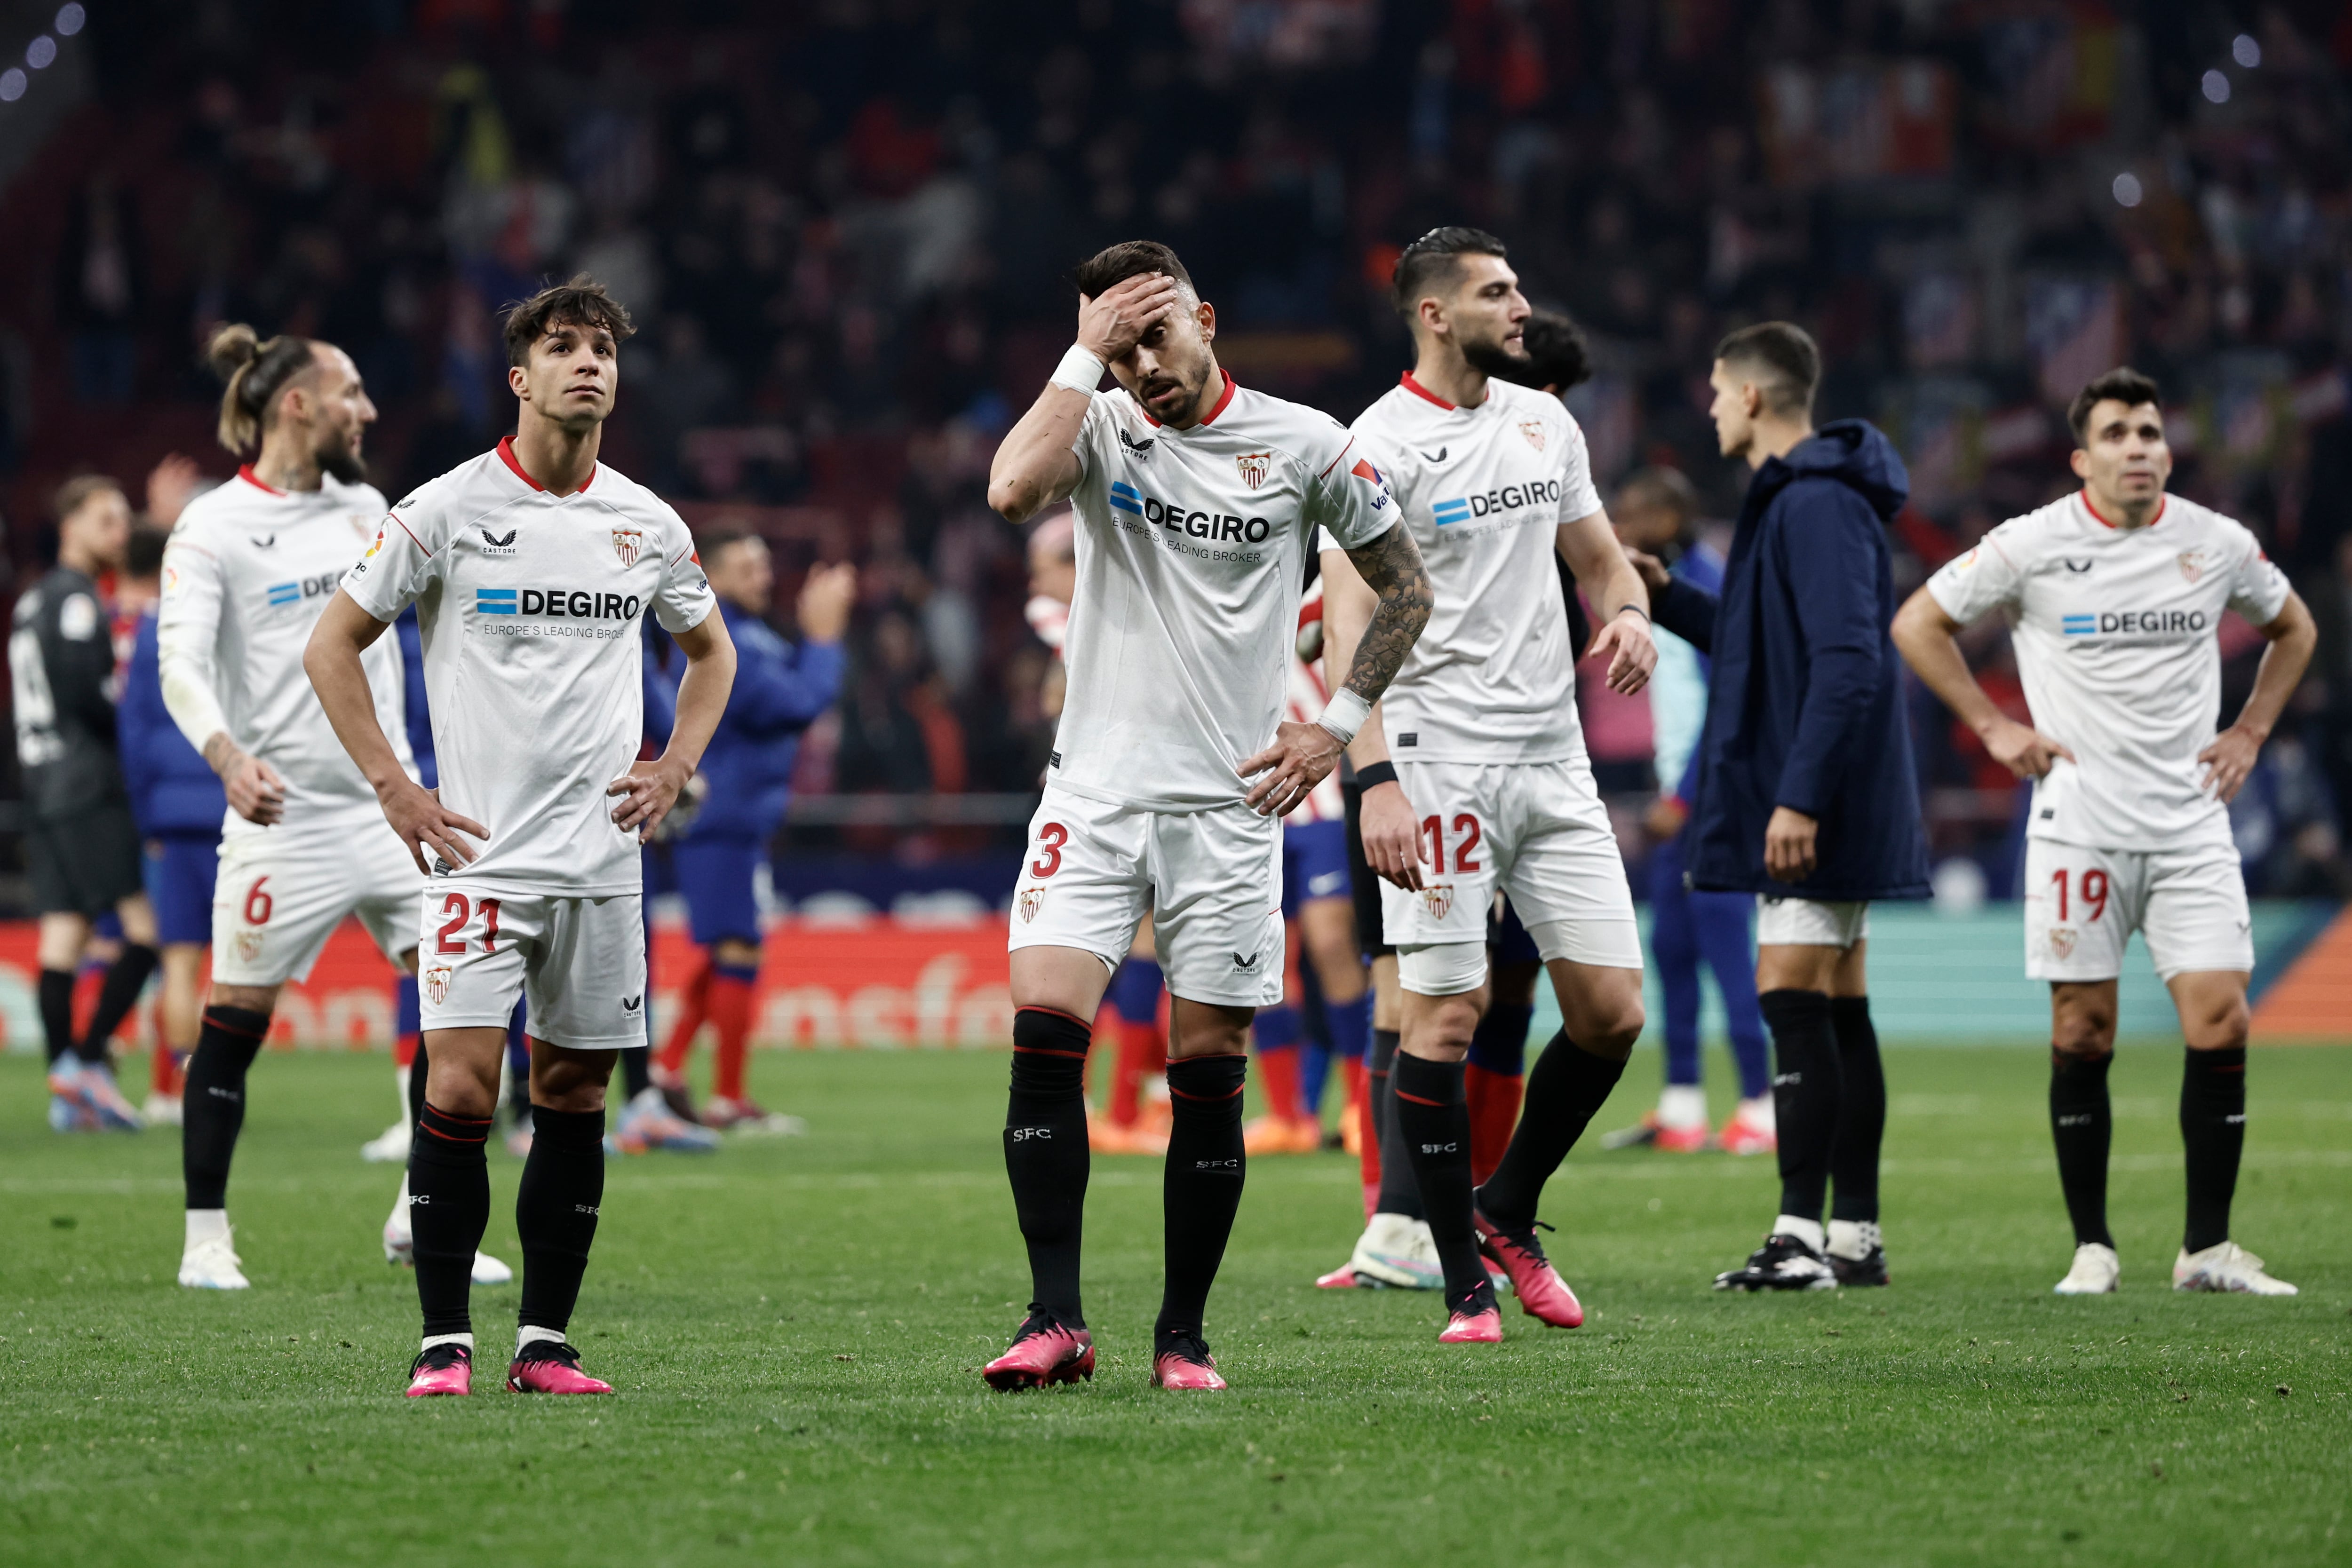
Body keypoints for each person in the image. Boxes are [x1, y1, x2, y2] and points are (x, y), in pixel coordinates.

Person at [983, 240, 1429, 1391]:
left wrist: (1336, 724)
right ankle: (1055, 1318)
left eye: (1156, 336)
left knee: (1208, 1060)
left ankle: (1181, 1334)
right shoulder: (1095, 422)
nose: (1143, 364)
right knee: (1044, 1025)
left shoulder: (1304, 443)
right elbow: (1008, 490)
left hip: (1230, 810)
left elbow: (1406, 586)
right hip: (1092, 788)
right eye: (1119, 345)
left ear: (1208, 320)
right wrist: (1080, 362)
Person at [308, 275, 736, 1398]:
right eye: (562, 347)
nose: (587, 364)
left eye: (602, 348)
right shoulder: (443, 512)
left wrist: (675, 766)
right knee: (457, 1090)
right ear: (520, 377)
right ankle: (442, 1342)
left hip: (601, 869)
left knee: (578, 1097)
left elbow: (714, 656)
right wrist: (397, 789)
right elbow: (331, 647)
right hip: (478, 862)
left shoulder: (648, 524)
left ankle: (543, 1341)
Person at [1892, 366, 2316, 1297]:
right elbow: (1919, 622)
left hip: (2191, 824)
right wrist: (1993, 724)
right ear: (2082, 459)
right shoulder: (2033, 543)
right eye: (2118, 434)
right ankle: (2092, 1245)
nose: (2139, 449)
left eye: (2151, 433)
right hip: (2079, 825)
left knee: (2220, 1013)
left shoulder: (2216, 543)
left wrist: (2249, 730)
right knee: (2083, 1029)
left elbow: (2294, 627)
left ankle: (2206, 1247)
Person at [1322, 228, 1654, 1345]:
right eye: (1496, 291)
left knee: (1611, 1012)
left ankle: (1505, 1208)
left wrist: (1631, 616)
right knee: (1447, 1013)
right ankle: (1463, 1282)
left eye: (1518, 285)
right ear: (1433, 313)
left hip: (1553, 758)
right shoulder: (1375, 446)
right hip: (1437, 758)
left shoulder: (1541, 419)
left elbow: (1600, 561)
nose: (1521, 307)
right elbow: (1352, 629)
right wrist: (1372, 778)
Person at [160, 325, 510, 1291]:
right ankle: (205, 1236)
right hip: (286, 820)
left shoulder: (367, 506)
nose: (368, 408)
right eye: (349, 390)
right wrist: (226, 753)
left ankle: (416, 1215)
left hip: (392, 809)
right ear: (297, 404)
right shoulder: (214, 526)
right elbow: (179, 665)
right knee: (232, 1025)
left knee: (459, 1006)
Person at [1648, 322, 1929, 1293]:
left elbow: (1850, 658)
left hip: (1821, 793)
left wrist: (1798, 795)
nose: (1713, 407)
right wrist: (1669, 600)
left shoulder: (1812, 502)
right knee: (1838, 1005)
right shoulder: (1806, 500)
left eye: (1720, 391)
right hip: (1831, 785)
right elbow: (1763, 638)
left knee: (1792, 999)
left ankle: (1798, 1237)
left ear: (1757, 397)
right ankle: (1851, 1233)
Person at [1600, 467, 1774, 1155]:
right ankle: (1682, 1105)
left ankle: (1762, 1107)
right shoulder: (1654, 590)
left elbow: (1733, 702)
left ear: (1670, 519)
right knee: (1672, 948)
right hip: (1681, 795)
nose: (1619, 527)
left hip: (1715, 803)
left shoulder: (1707, 586)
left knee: (1727, 949)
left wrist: (1687, 794)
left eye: (1633, 514)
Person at [652, 533, 853, 1129]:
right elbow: (798, 702)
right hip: (718, 817)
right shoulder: (723, 640)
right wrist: (823, 639)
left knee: (732, 946)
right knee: (736, 944)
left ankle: (671, 1071)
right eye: (745, 567)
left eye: (765, 564)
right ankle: (722, 1095)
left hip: (741, 819)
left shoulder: (754, 635)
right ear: (709, 576)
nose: (762, 576)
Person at [13, 475, 159, 1131]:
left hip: (38, 785)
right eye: (107, 519)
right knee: (148, 933)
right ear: (70, 525)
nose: (119, 533)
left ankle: (66, 1092)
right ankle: (86, 1061)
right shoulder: (77, 601)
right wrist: (129, 714)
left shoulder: (31, 601)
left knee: (62, 938)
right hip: (85, 786)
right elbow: (85, 697)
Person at [1244, 578, 1374, 1157]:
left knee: (1330, 948)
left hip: (1319, 800)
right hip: (1250, 799)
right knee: (1258, 957)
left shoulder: (1329, 582)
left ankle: (1356, 1106)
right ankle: (1287, 1116)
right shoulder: (1219, 580)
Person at [117, 520, 225, 1128]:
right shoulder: (232, 631)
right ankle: (214, 1087)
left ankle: (180, 1084)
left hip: (172, 819)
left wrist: (143, 813)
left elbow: (132, 732)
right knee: (233, 968)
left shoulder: (153, 631)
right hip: (233, 809)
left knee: (178, 961)